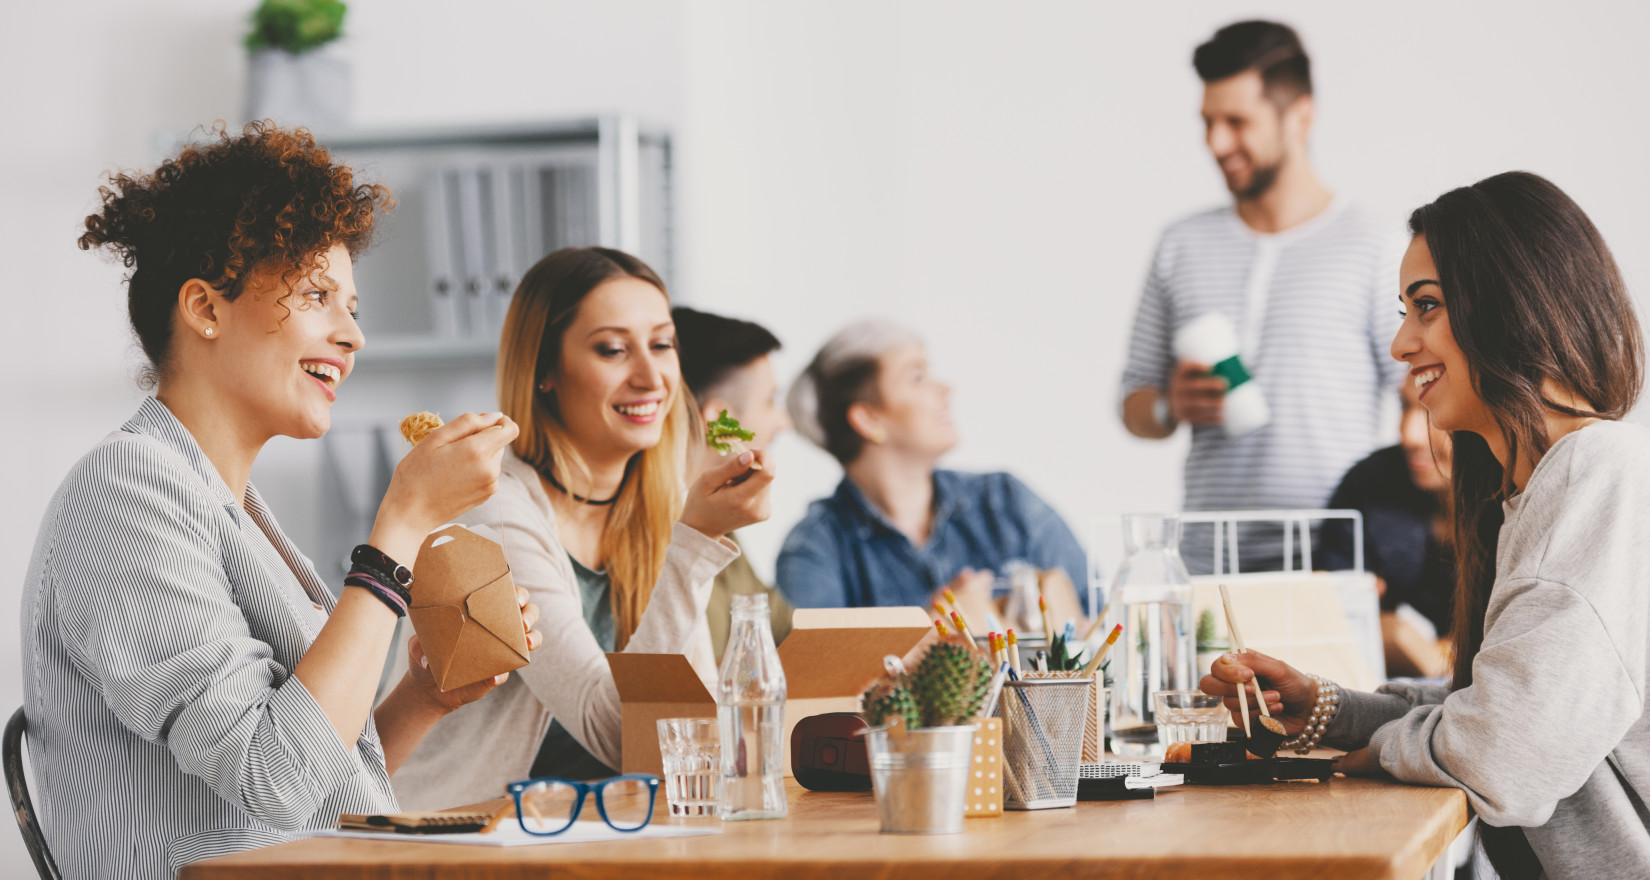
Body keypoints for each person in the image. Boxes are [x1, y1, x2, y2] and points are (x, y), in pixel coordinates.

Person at [21, 122, 540, 880]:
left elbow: (310, 784)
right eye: (317, 294)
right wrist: (401, 527)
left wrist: (424, 697)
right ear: (204, 308)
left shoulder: (230, 507)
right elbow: (274, 781)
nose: (353, 334)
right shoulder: (125, 494)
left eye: (351, 305)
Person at [1203, 172, 1650, 879]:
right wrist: (1330, 709)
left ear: (1513, 307)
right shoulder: (1534, 492)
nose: (1401, 345)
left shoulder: (1601, 475)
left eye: (1428, 307)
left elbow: (1505, 755)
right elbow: (1496, 709)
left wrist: (1373, 747)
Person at [389, 248, 775, 809]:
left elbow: (692, 725)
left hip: (608, 823)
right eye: (613, 350)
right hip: (469, 835)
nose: (650, 377)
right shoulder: (493, 517)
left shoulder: (658, 507)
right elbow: (622, 732)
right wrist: (696, 542)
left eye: (662, 344)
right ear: (544, 370)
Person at [1119, 20, 1406, 572]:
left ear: (1300, 117)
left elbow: (1418, 403)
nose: (1216, 143)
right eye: (1207, 123)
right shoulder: (1181, 245)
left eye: (1236, 122)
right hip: (1206, 563)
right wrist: (1169, 405)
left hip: (1329, 564)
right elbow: (1133, 402)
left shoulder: (1376, 245)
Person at [776, 320, 1087, 613]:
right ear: (868, 419)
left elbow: (1097, 614)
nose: (946, 389)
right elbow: (813, 670)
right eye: (917, 378)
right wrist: (931, 631)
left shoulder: (1005, 500)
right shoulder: (815, 551)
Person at [672, 306, 796, 660]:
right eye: (770, 401)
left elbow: (784, 632)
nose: (783, 422)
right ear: (719, 419)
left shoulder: (721, 527)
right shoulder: (657, 534)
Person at [1322, 378, 1457, 638]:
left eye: (1434, 410)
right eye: (1404, 406)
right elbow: (1333, 612)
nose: (1408, 436)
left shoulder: (1529, 493)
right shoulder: (1369, 482)